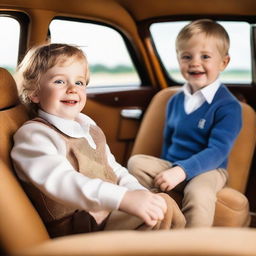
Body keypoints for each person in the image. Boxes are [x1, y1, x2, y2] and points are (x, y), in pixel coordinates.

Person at [11, 43, 185, 237]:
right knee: (161, 211)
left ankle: (184, 242)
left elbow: (113, 168)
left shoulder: (87, 125)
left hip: (104, 211)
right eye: (60, 81)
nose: (72, 89)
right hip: (76, 225)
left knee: (161, 202)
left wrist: (137, 191)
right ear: (34, 92)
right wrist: (123, 198)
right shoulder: (35, 135)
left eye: (79, 82)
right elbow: (62, 181)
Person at [128, 19, 242, 227]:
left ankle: (193, 244)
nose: (195, 63)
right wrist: (167, 174)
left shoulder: (228, 106)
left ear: (223, 63)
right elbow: (168, 142)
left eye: (205, 57)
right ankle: (162, 219)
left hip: (209, 168)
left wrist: (181, 171)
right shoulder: (175, 100)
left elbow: (217, 151)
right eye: (187, 57)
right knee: (136, 163)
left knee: (198, 194)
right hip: (173, 165)